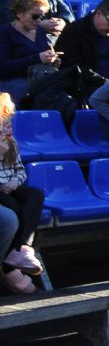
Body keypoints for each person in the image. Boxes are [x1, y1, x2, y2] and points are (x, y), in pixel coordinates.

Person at [0, 93, 44, 291]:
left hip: (10, 187)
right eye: (4, 124)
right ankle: (10, 262)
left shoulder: (12, 143)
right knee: (13, 208)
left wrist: (14, 183)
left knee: (35, 194)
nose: (8, 128)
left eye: (9, 123)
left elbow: (20, 170)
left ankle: (23, 247)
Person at [0, 0, 59, 100]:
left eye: (41, 17)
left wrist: (52, 62)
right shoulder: (4, 32)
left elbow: (42, 59)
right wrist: (36, 58)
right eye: (35, 16)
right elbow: (3, 67)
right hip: (12, 83)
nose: (39, 20)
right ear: (19, 13)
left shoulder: (40, 31)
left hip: (38, 80)